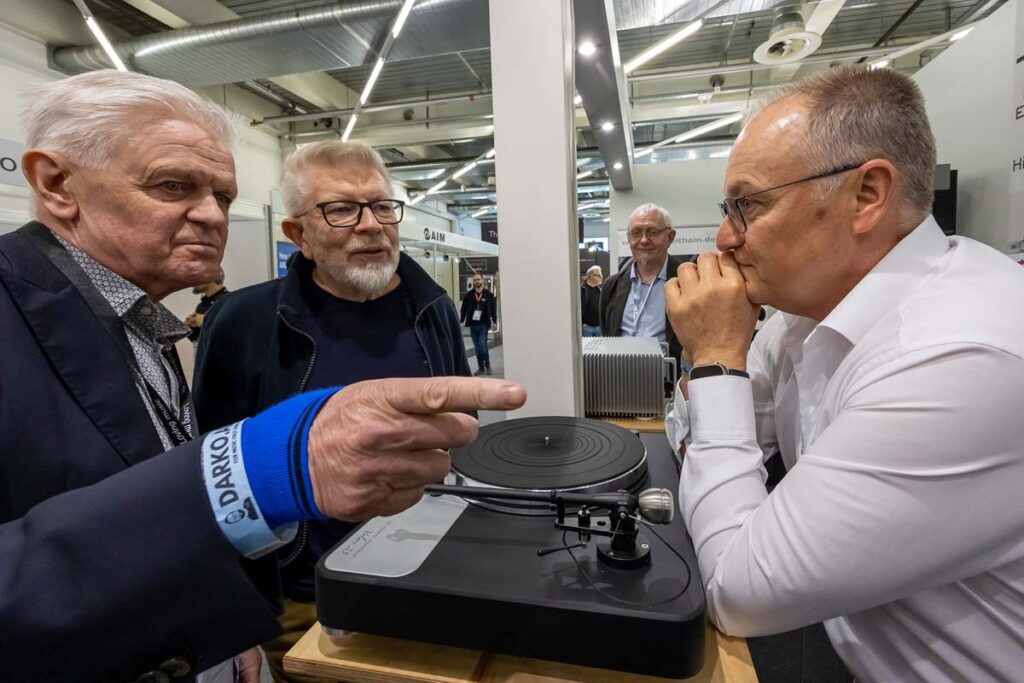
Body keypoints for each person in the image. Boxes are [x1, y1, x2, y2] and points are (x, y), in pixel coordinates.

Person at [0, 69, 527, 683]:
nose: (210, 215)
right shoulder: (235, 320)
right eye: (173, 185)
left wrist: (218, 620)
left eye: (223, 196)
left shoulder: (141, 325)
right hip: (299, 593)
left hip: (408, 572)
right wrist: (266, 470)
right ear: (57, 184)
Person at [664, 65, 1024, 683]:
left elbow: (737, 591)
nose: (724, 238)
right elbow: (689, 436)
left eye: (749, 205)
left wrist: (717, 357)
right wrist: (716, 375)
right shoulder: (803, 314)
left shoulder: (957, 356)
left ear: (867, 195)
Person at [192, 139, 471, 682]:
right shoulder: (243, 322)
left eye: (382, 206)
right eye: (341, 209)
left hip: (427, 575)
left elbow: (460, 430)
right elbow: (209, 469)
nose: (371, 225)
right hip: (303, 596)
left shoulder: (433, 308)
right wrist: (229, 614)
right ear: (298, 235)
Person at [600, 203, 688, 361]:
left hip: (670, 375)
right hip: (620, 374)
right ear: (629, 238)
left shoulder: (688, 282)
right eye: (636, 233)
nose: (644, 240)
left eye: (652, 232)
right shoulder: (611, 287)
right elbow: (607, 338)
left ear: (670, 237)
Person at [459, 272, 497, 375]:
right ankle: (481, 368)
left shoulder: (488, 295)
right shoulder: (468, 295)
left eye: (478, 279)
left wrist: (494, 320)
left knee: (482, 345)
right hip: (473, 325)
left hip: (484, 324)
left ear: (482, 280)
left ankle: (487, 365)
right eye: (475, 280)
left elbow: (493, 309)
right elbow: (463, 309)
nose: (476, 281)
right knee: (477, 348)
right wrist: (461, 321)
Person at [186, 268, 229, 342]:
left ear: (211, 277)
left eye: (196, 277)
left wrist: (206, 321)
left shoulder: (229, 301)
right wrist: (189, 327)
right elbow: (196, 339)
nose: (192, 282)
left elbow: (236, 331)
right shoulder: (201, 306)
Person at [581, 265, 602, 336]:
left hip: (599, 327)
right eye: (598, 275)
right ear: (591, 276)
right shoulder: (582, 290)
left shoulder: (599, 290)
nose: (601, 277)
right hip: (587, 327)